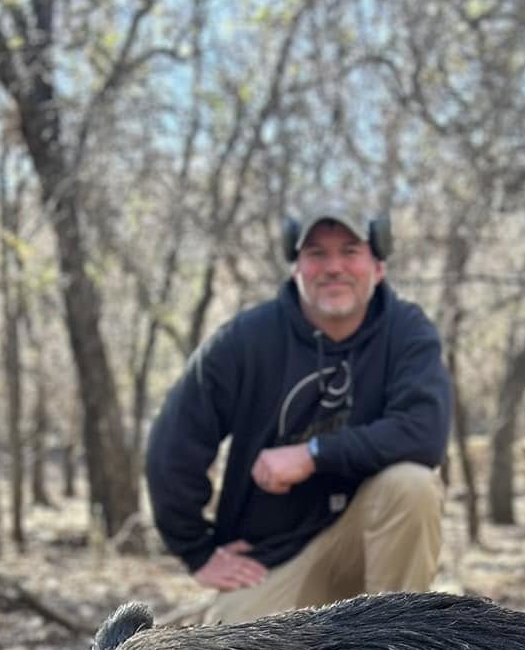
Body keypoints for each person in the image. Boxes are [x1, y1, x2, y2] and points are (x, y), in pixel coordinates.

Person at [145, 198, 452, 623]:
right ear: (296, 267)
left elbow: (424, 433)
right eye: (316, 254)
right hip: (274, 558)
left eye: (350, 252)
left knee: (413, 485)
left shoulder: (408, 332)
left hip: (367, 546)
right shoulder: (247, 339)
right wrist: (197, 549)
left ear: (378, 266)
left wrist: (312, 455)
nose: (333, 267)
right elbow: (172, 444)